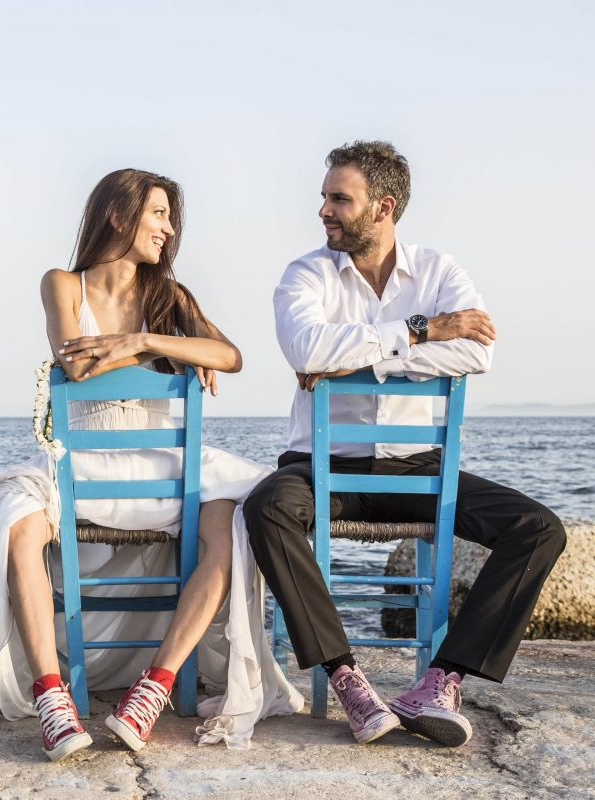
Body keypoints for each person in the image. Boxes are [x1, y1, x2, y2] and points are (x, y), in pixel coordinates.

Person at [0, 169, 302, 759]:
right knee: (17, 519)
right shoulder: (61, 284)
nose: (169, 230)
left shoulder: (168, 298)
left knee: (230, 514)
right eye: (158, 214)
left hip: (159, 463)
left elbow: (230, 356)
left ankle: (156, 684)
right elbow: (76, 366)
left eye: (171, 217)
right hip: (86, 461)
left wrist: (148, 342)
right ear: (120, 216)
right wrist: (156, 353)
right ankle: (51, 694)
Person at [243, 140, 567, 748]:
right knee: (265, 507)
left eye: (340, 199)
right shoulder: (305, 273)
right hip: (323, 469)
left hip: (418, 471)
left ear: (384, 206)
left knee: (539, 527)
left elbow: (478, 351)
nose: (324, 210)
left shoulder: (442, 272)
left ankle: (439, 680)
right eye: (324, 197)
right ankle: (347, 678)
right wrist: (419, 332)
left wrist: (365, 357)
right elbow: (306, 350)